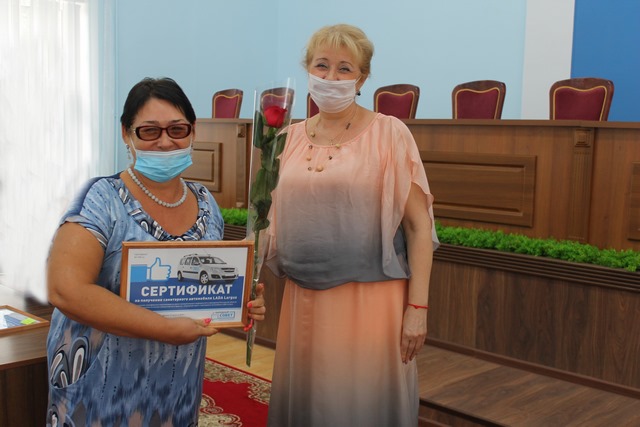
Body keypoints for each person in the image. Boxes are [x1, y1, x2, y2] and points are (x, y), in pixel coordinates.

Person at [45, 77, 266, 426]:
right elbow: (65, 290)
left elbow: (208, 289)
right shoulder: (99, 199)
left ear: (193, 132)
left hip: (177, 384)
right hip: (101, 384)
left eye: (177, 129)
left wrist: (241, 302)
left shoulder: (207, 204)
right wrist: (162, 328)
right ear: (126, 134)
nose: (165, 141)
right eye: (149, 131)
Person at [264, 24, 438, 427]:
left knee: (358, 405)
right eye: (321, 65)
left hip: (370, 302)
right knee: (309, 402)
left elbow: (418, 227)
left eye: (345, 68)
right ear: (307, 69)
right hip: (303, 301)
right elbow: (268, 221)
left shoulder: (389, 133)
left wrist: (418, 308)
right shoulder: (286, 138)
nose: (331, 77)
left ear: (362, 78)